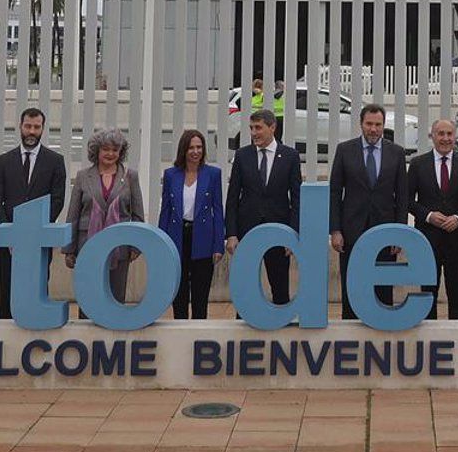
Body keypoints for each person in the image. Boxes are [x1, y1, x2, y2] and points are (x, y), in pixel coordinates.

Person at [329, 103, 408, 320]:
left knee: (383, 288)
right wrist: (335, 229)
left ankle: (382, 330)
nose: (373, 129)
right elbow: (335, 192)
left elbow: (402, 196)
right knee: (352, 284)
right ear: (361, 124)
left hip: (385, 232)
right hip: (351, 231)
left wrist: (399, 232)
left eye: (378, 125)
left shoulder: (397, 152)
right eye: (369, 124)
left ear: (384, 126)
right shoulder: (345, 150)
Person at [0, 107, 67, 320]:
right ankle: (5, 327)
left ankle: (36, 324)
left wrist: (36, 230)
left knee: (38, 284)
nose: (32, 131)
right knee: (7, 284)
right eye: (28, 126)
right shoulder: (4, 161)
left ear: (42, 129)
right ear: (20, 127)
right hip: (10, 240)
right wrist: (9, 232)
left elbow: (57, 200)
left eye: (36, 127)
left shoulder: (55, 161)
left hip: (39, 239)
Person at [226, 108, 302, 305]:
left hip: (278, 232)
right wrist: (232, 234)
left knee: (279, 288)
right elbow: (233, 197)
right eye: (251, 128)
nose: (253, 133)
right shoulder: (243, 156)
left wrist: (293, 234)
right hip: (247, 230)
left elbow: (297, 199)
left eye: (258, 128)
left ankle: (281, 327)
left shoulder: (290, 156)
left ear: (272, 128)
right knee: (246, 288)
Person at [64, 127, 146, 307]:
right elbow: (73, 215)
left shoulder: (130, 176)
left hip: (120, 247)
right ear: (96, 150)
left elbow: (138, 215)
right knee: (89, 299)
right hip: (87, 245)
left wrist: (136, 246)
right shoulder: (83, 176)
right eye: (106, 149)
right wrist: (69, 249)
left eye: (115, 150)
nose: (110, 153)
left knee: (116, 298)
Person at [406, 118, 458, 318]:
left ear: (455, 137)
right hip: (428, 239)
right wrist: (428, 216)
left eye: (449, 134)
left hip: (457, 237)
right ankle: (429, 338)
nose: (445, 138)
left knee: (456, 295)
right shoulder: (418, 164)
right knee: (427, 294)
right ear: (432, 136)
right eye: (441, 134)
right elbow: (407, 200)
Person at [158, 129, 223, 319]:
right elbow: (166, 211)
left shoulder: (213, 174)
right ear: (183, 150)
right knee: (179, 293)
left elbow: (217, 210)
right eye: (191, 147)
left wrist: (218, 244)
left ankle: (199, 335)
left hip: (203, 237)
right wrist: (161, 241)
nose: (196, 151)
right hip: (177, 236)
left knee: (200, 293)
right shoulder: (171, 175)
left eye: (199, 147)